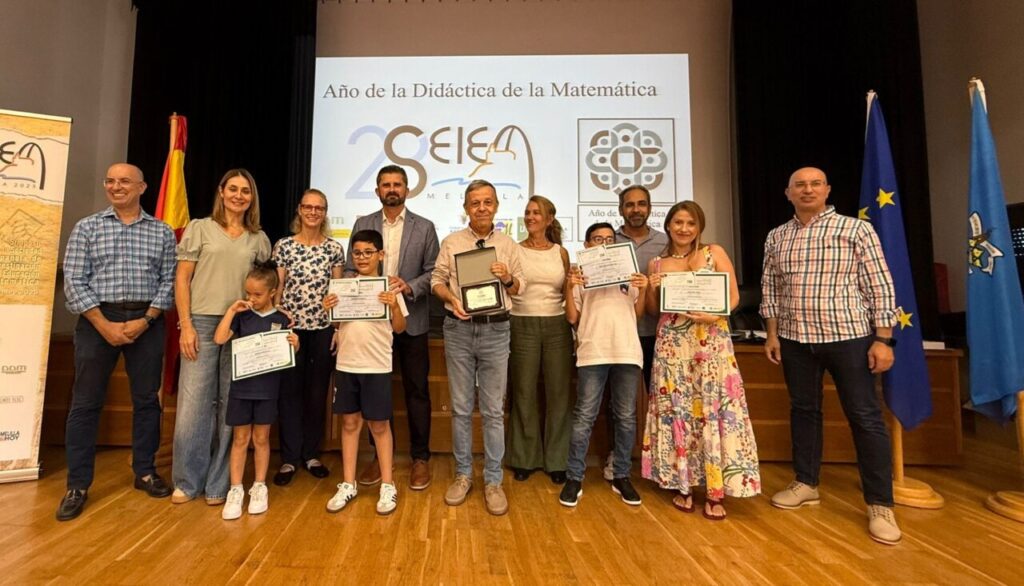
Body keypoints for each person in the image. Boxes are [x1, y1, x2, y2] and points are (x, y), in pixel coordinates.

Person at [761, 167, 901, 545]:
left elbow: (880, 284)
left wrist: (883, 339)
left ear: (827, 190)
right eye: (799, 185)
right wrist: (772, 334)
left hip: (849, 338)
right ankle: (806, 483)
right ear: (788, 192)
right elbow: (771, 288)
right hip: (795, 339)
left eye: (815, 184)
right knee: (804, 411)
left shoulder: (855, 230)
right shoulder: (777, 236)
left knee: (864, 417)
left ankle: (880, 504)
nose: (807, 190)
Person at [57, 163, 176, 521]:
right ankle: (77, 485)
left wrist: (146, 320)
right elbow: (74, 281)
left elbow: (169, 281)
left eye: (124, 181)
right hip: (97, 319)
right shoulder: (87, 227)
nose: (115, 186)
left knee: (147, 401)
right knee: (85, 403)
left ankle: (145, 471)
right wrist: (103, 324)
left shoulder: (162, 231)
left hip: (146, 320)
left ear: (142, 187)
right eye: (110, 180)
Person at [642, 201, 761, 520]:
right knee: (678, 411)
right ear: (668, 226)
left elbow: (733, 297)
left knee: (714, 409)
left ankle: (715, 489)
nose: (684, 229)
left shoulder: (714, 252)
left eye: (691, 223)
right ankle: (682, 484)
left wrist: (715, 314)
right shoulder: (657, 263)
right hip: (672, 347)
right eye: (678, 222)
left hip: (710, 343)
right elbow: (653, 310)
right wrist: (651, 289)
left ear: (699, 227)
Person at [172, 169, 272, 505]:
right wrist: (185, 324)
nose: (239, 196)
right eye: (233, 189)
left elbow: (267, 286)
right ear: (221, 191)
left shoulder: (258, 238)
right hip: (200, 323)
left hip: (242, 327)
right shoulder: (199, 228)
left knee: (232, 407)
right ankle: (187, 481)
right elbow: (182, 279)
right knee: (194, 406)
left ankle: (219, 483)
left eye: (246, 191)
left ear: (252, 197)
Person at [431, 179, 525, 516]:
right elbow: (436, 281)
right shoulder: (452, 242)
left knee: (493, 411)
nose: (481, 208)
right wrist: (451, 298)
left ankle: (493, 480)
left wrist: (507, 278)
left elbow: (520, 287)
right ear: (466, 208)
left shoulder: (508, 245)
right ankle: (463, 475)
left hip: (496, 329)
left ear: (496, 206)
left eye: (487, 202)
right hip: (458, 328)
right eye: (475, 203)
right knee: (460, 407)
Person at [347, 165, 439, 491]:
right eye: (386, 184)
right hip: (371, 324)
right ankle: (378, 456)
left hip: (411, 320)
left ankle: (420, 458)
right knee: (376, 391)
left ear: (407, 190)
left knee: (417, 391)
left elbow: (434, 272)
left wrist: (409, 286)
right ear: (377, 191)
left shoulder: (424, 227)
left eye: (397, 184)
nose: (392, 189)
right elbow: (350, 269)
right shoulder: (362, 224)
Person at [559, 222, 648, 508]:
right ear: (587, 245)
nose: (604, 243)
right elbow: (572, 317)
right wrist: (570, 285)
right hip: (593, 351)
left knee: (626, 417)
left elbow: (638, 312)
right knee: (584, 416)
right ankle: (574, 477)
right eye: (597, 239)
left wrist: (644, 289)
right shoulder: (581, 275)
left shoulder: (629, 272)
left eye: (609, 239)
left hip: (627, 351)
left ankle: (621, 474)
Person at [325, 230, 409, 515]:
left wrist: (394, 306)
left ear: (380, 255)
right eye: (357, 253)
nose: (362, 258)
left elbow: (400, 328)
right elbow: (337, 326)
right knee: (349, 424)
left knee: (380, 426)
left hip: (377, 366)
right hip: (347, 364)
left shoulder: (390, 287)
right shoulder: (343, 287)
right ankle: (348, 483)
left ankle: (387, 484)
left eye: (368, 252)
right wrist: (329, 309)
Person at [213, 261, 299, 520]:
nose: (251, 298)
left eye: (257, 294)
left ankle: (259, 486)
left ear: (272, 292)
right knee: (240, 439)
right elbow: (219, 338)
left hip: (267, 389)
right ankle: (236, 489)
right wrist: (231, 310)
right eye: (248, 293)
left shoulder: (282, 319)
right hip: (241, 389)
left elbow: (289, 353)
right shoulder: (242, 316)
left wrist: (295, 344)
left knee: (261, 439)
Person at [271, 189, 344, 485]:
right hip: (291, 330)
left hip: (323, 330)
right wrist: (277, 321)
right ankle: (289, 459)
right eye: (308, 207)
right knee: (289, 394)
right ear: (300, 210)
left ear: (325, 213)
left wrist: (337, 328)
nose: (313, 212)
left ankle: (311, 454)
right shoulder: (284, 246)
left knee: (317, 394)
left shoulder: (334, 249)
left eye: (319, 208)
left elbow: (338, 292)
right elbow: (277, 290)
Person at [507, 195, 573, 484]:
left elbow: (567, 290)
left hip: (557, 325)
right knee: (523, 391)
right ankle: (525, 458)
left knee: (559, 393)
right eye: (528, 212)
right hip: (521, 323)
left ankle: (558, 461)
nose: (531, 217)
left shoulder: (561, 253)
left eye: (537, 213)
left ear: (549, 219)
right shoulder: (514, 250)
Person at [606, 185, 668, 479]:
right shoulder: (608, 241)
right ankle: (616, 456)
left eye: (641, 204)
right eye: (629, 205)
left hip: (657, 334)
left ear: (649, 207)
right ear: (621, 209)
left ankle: (663, 459)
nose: (636, 209)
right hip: (619, 335)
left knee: (662, 399)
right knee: (619, 404)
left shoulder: (666, 243)